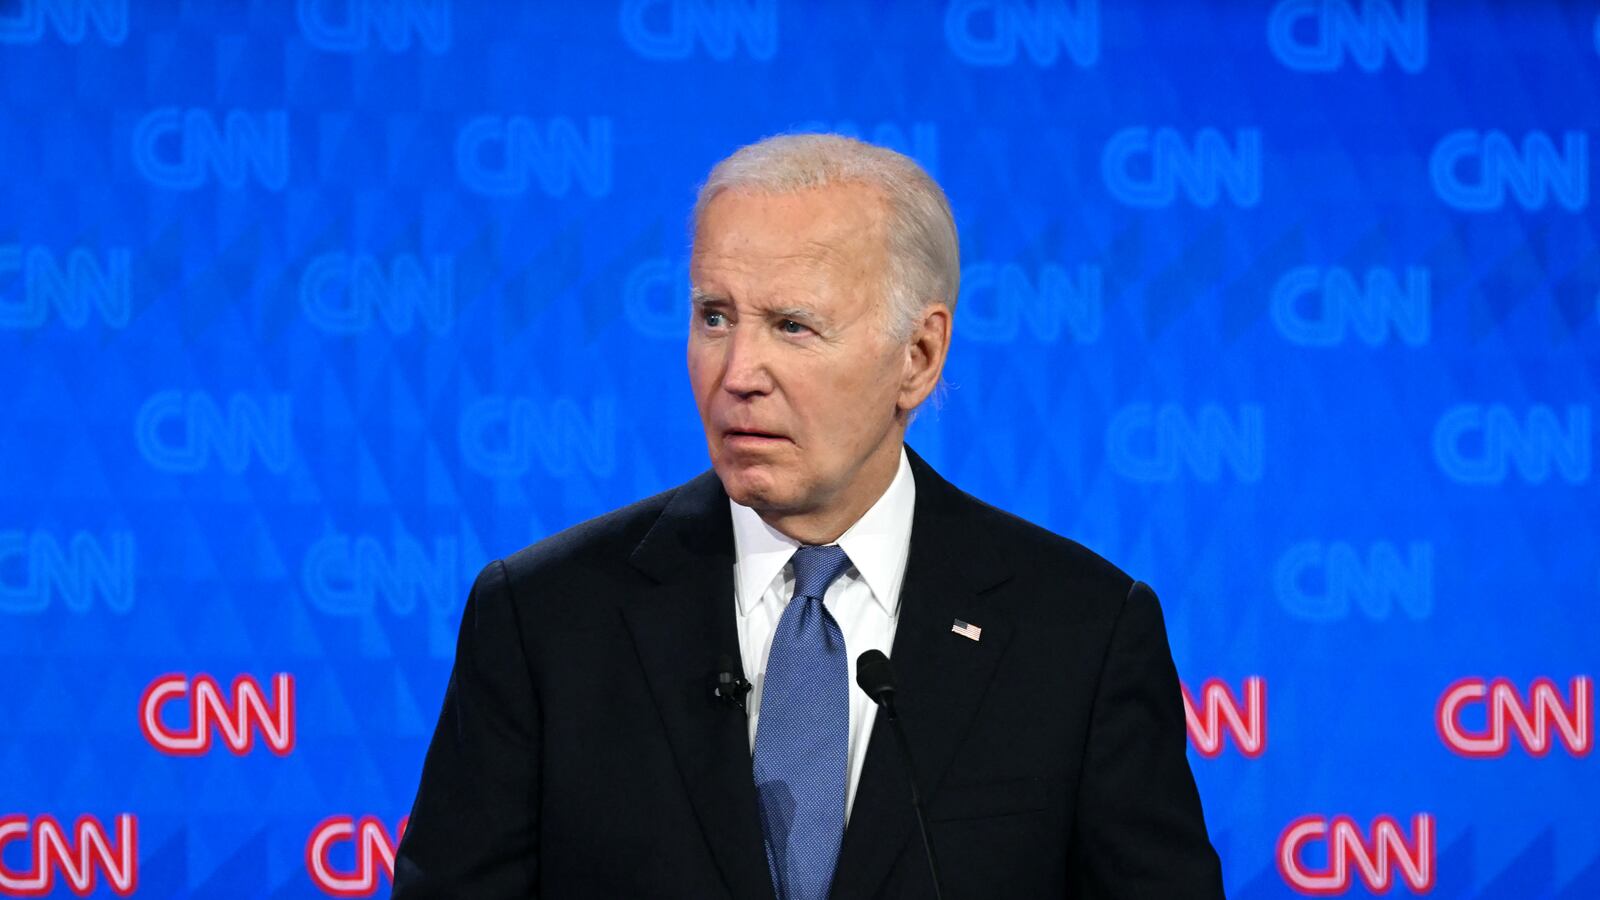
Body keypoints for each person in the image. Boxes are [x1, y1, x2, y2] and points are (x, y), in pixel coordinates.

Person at [393, 134, 1224, 899]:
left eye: (792, 326)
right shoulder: (545, 620)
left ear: (919, 356)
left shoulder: (1079, 633)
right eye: (715, 316)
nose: (738, 371)